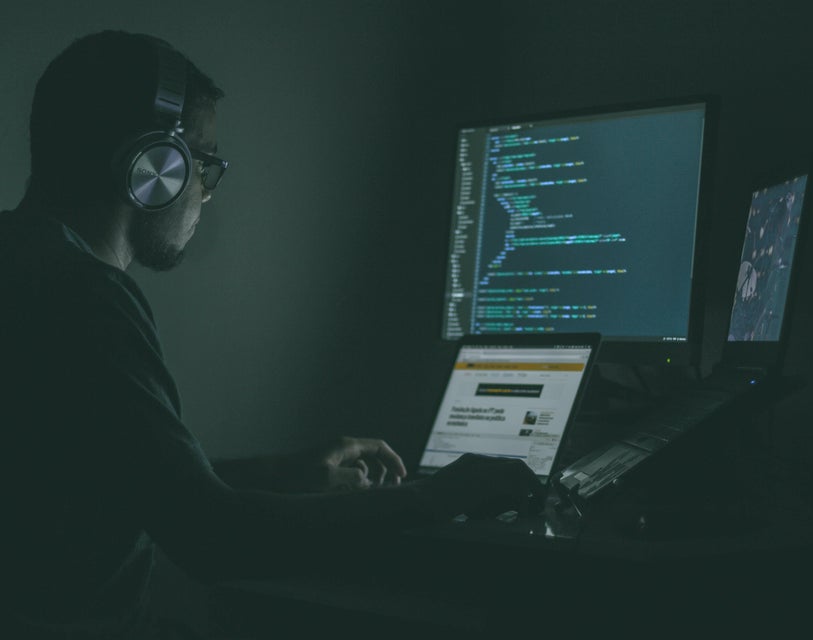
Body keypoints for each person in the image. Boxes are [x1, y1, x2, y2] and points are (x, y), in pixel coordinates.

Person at [0, 31, 541, 639]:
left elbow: (142, 484)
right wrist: (440, 496)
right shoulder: (84, 297)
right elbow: (217, 540)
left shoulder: (22, 261)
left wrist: (286, 473)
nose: (204, 192)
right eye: (203, 166)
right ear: (155, 168)